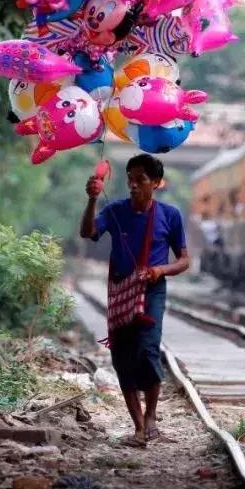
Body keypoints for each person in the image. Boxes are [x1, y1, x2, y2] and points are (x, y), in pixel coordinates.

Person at [80, 154, 190, 447]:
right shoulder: (115, 210)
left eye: (140, 179)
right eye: (130, 178)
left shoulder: (170, 216)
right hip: (120, 293)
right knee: (122, 358)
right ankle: (139, 428)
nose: (133, 185)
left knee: (148, 349)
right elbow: (88, 232)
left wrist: (160, 270)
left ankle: (152, 418)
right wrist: (92, 200)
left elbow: (183, 261)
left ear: (156, 183)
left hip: (152, 291)